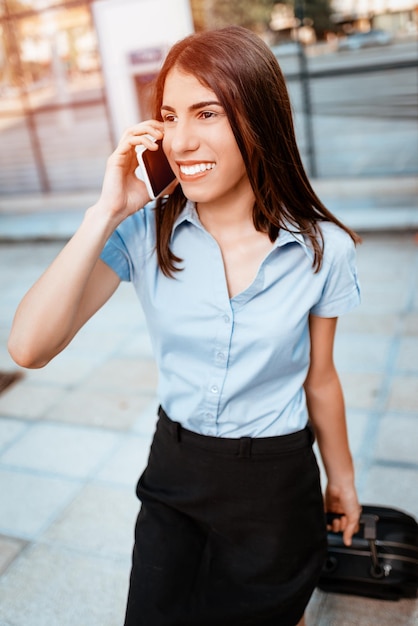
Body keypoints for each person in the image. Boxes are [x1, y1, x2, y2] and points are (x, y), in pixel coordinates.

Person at [8, 25, 362, 626]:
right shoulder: (145, 235)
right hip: (178, 471)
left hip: (278, 481)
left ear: (260, 120)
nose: (182, 139)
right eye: (169, 116)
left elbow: (320, 378)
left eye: (207, 113)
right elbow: (28, 347)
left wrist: (343, 481)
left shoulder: (322, 249)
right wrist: (106, 211)